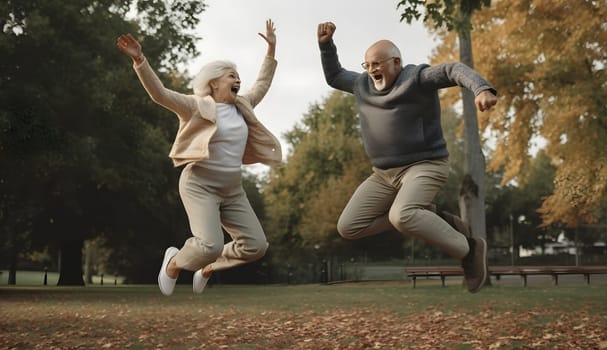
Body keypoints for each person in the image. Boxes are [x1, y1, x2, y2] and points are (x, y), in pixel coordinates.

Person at [316, 22, 498, 293]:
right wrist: (325, 46)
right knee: (349, 226)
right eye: (367, 65)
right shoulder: (361, 84)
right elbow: (334, 76)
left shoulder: (417, 78)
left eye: (377, 64)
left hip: (425, 165)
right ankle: (433, 215)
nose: (371, 70)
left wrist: (481, 88)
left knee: (402, 215)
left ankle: (470, 249)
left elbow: (452, 69)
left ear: (396, 62)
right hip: (383, 174)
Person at [116, 19, 282, 296]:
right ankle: (174, 262)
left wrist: (271, 51)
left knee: (256, 246)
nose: (237, 79)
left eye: (238, 75)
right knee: (210, 245)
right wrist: (140, 60)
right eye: (231, 75)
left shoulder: (244, 104)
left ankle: (207, 269)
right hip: (199, 185)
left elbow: (262, 83)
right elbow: (160, 94)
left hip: (232, 190)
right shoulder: (195, 107)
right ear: (214, 83)